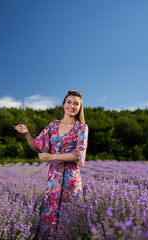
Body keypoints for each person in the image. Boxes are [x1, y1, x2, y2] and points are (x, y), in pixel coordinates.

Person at [14, 90, 88, 240]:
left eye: (76, 104)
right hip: (54, 178)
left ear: (80, 108)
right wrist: (27, 133)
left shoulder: (82, 128)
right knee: (49, 214)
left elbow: (78, 154)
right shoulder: (53, 126)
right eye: (69, 102)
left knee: (70, 215)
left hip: (71, 179)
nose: (72, 106)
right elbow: (37, 146)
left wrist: (52, 156)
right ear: (63, 104)